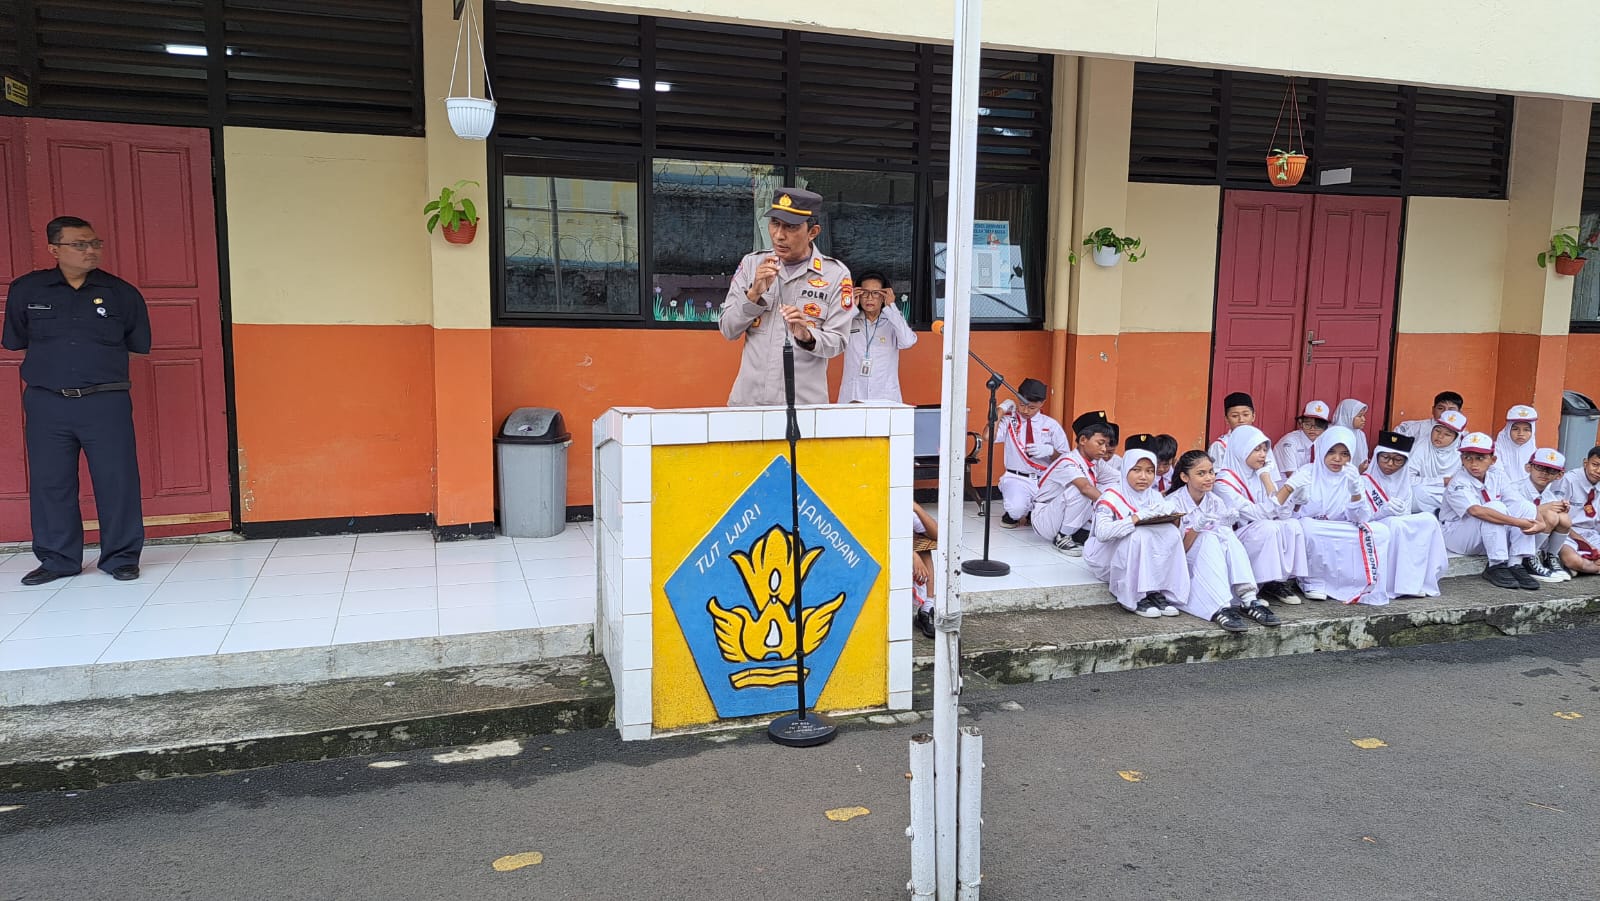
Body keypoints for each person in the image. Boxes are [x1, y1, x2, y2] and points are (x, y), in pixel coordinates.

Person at [1, 216, 150, 585]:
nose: (90, 251)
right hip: (47, 402)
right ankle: (57, 558)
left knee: (117, 480)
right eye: (79, 244)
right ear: (55, 250)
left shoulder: (121, 293)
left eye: (95, 243)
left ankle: (120, 557)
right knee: (51, 482)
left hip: (105, 401)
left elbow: (136, 344)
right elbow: (17, 339)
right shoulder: (28, 290)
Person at [719, 188, 854, 406]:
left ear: (813, 232)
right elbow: (728, 329)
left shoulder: (835, 275)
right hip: (749, 406)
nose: (779, 235)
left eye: (791, 227)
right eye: (775, 223)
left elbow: (838, 342)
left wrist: (807, 336)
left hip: (802, 408)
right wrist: (753, 295)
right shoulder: (752, 264)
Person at [1166, 449, 1280, 633]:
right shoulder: (1173, 503)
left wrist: (1224, 526)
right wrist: (1197, 528)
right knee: (1210, 537)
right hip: (1182, 562)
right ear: (1185, 477)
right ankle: (1220, 606)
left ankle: (1249, 597)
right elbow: (1177, 551)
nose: (1209, 477)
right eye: (1201, 473)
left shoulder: (1215, 501)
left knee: (1226, 533)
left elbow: (1224, 538)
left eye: (1211, 471)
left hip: (1211, 559)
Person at [1278, 426, 1391, 605]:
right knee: (1308, 528)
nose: (1337, 459)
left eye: (1345, 454)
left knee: (1381, 531)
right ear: (1322, 449)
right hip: (1313, 525)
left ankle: (1355, 581)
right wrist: (1298, 502)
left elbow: (1360, 518)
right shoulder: (1307, 472)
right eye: (1331, 452)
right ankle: (1312, 581)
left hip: (1341, 526)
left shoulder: (1352, 476)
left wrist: (1355, 492)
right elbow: (1287, 513)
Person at [1083, 449, 1190, 619]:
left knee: (1170, 532)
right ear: (1125, 469)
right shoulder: (1111, 496)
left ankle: (1155, 589)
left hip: (1135, 555)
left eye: (1149, 471)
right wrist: (1136, 517)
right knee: (1139, 534)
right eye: (1137, 470)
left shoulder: (1154, 496)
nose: (1143, 477)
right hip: (1106, 557)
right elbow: (1102, 533)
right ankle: (1134, 595)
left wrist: (1173, 518)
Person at [1215, 424, 1310, 604]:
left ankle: (1273, 581)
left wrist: (1294, 498)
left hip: (1254, 532)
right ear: (1241, 450)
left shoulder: (1259, 473)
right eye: (1256, 449)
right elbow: (1257, 514)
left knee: (1291, 524)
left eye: (1264, 449)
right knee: (1267, 527)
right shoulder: (1223, 482)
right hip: (1232, 539)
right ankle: (1252, 587)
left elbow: (1281, 514)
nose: (1263, 454)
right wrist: (1286, 488)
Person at [1441, 431, 1542, 591]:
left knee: (1526, 507)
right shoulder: (1458, 481)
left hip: (1488, 535)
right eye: (1468, 458)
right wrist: (1518, 523)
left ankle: (1515, 563)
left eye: (1480, 458)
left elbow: (1518, 502)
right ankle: (1496, 564)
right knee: (1494, 507)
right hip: (1458, 537)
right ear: (1461, 459)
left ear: (1492, 460)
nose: (1473, 464)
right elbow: (1476, 511)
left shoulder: (1497, 475)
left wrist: (1540, 523)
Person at [1360, 431, 1449, 598]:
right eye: (1385, 457)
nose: (1390, 463)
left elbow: (1406, 513)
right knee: (1395, 525)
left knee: (1429, 520)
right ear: (1377, 456)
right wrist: (1383, 511)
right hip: (1373, 528)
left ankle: (1418, 582)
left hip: (1397, 524)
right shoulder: (1363, 481)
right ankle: (1394, 584)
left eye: (1397, 460)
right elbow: (1359, 517)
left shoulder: (1404, 483)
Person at [1507, 448, 1599, 579]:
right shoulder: (1513, 489)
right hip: (1515, 538)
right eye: (1539, 467)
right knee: (1551, 514)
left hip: (1582, 535)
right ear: (1528, 467)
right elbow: (1509, 516)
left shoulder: (1549, 496)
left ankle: (1551, 557)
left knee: (1564, 517)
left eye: (1551, 471)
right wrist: (1540, 509)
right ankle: (1529, 558)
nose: (1544, 473)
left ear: (1559, 475)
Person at [1030, 414, 1115, 555]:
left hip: (1060, 514)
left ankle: (1080, 532)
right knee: (1083, 490)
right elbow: (1086, 489)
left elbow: (1120, 479)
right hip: (1044, 517)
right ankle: (1062, 537)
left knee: (1111, 487)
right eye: (1100, 443)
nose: (1104, 449)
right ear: (1083, 440)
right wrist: (1116, 508)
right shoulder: (1067, 461)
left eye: (1106, 445)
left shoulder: (1096, 462)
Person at [994, 378, 1070, 529]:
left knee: (1057, 514)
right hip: (1017, 476)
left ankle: (1032, 511)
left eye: (1032, 408)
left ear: (1042, 403)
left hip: (1044, 478)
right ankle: (1016, 512)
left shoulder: (1051, 425)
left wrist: (1050, 451)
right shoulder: (1011, 421)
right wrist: (1001, 410)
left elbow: (1066, 459)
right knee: (1016, 510)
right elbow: (988, 437)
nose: (1025, 411)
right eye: (1022, 405)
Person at [836, 271, 916, 404]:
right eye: (864, 293)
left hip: (885, 397)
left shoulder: (893, 319)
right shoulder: (850, 319)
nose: (869, 298)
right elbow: (832, 334)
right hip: (854, 396)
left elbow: (907, 341)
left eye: (875, 293)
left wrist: (892, 306)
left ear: (884, 295)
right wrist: (850, 307)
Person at [1207, 391, 1281, 481]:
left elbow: (1273, 476)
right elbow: (1216, 478)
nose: (1241, 420)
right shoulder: (1220, 445)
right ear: (1226, 419)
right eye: (1234, 416)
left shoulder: (1262, 442)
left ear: (1253, 416)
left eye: (1246, 415)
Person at [1406, 408, 1468, 516]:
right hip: (1424, 491)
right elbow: (1407, 479)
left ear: (1455, 439)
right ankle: (1442, 512)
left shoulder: (1461, 454)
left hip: (1447, 492)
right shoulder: (1422, 447)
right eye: (1437, 431)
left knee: (1461, 494)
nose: (1440, 436)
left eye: (1447, 434)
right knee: (1416, 492)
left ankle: (1441, 511)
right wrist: (1441, 481)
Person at [1562, 446, 1600, 566]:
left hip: (1592, 534)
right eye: (1595, 464)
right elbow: (1559, 521)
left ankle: (1588, 566)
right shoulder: (1569, 480)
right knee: (1573, 559)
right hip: (1567, 533)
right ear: (1585, 462)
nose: (1598, 471)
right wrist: (1589, 546)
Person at [1274, 399, 1331, 478]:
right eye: (1307, 424)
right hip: (1286, 486)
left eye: (1318, 426)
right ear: (1301, 423)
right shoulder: (1289, 442)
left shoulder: (1325, 443)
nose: (1312, 429)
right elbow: (1292, 476)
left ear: (1325, 428)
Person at [910, 502, 940, 637]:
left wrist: (917, 508)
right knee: (917, 552)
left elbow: (937, 534)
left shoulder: (901, 507)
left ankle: (926, 609)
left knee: (924, 548)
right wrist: (913, 556)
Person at [1491, 404, 1538, 484]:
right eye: (1515, 429)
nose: (1521, 434)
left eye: (1526, 430)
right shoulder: (1495, 450)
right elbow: (1497, 474)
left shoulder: (1536, 454)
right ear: (1508, 429)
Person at [1394, 391, 1464, 443]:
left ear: (1460, 413)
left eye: (1451, 410)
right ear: (1433, 410)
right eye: (1440, 408)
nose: (1445, 413)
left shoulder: (1464, 437)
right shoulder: (1411, 428)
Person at [1332, 399, 1372, 470]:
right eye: (1359, 416)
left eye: (1363, 415)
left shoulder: (1360, 434)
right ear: (1347, 416)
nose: (1363, 419)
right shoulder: (1335, 434)